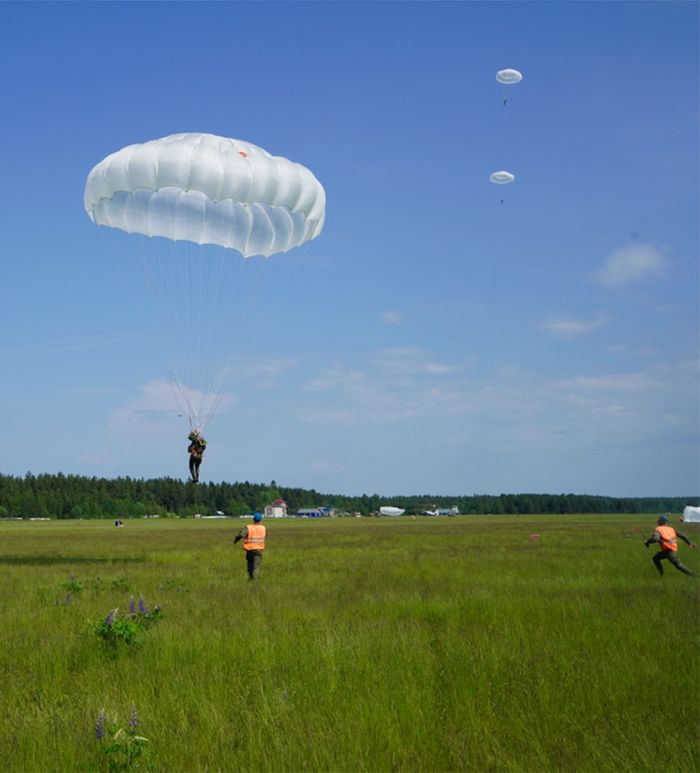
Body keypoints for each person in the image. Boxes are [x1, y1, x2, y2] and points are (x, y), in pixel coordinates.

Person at [233, 512, 266, 580]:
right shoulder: (263, 528)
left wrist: (236, 540)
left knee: (250, 564)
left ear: (253, 519)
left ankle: (250, 578)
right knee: (256, 566)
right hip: (258, 550)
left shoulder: (249, 527)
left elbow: (241, 535)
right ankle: (254, 580)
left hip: (250, 550)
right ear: (260, 520)